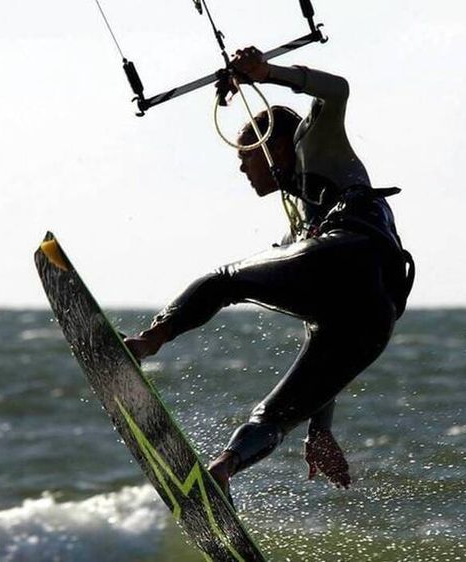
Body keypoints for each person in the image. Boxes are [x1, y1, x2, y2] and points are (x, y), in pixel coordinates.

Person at [124, 47, 414, 506]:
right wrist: (320, 428)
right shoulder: (300, 229)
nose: (242, 167)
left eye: (245, 154)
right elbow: (324, 334)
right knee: (274, 417)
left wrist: (266, 73)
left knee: (224, 279)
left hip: (351, 256)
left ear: (273, 144)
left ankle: (145, 343)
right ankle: (223, 469)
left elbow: (337, 90)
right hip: (373, 318)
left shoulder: (315, 147)